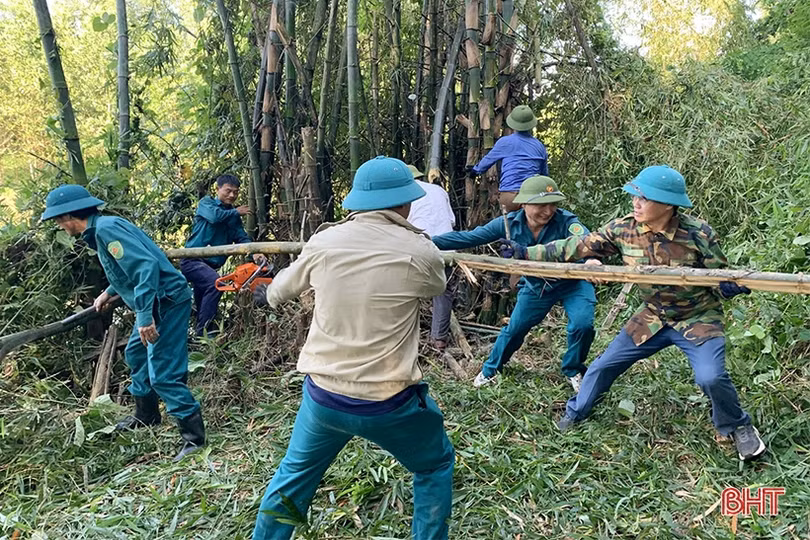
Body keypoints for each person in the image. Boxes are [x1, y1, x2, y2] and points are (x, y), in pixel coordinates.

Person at [251, 156, 455, 540]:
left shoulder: (324, 241)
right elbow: (436, 287)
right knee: (435, 465)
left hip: (324, 397)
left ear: (358, 202)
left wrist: (265, 295)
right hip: (389, 402)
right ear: (403, 203)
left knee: (292, 478)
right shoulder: (419, 250)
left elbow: (278, 291)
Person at [508, 165, 766, 461]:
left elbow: (718, 278)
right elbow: (576, 247)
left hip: (697, 317)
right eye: (635, 196)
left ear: (668, 204)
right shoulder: (623, 229)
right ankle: (576, 412)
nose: (636, 203)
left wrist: (727, 287)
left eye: (644, 198)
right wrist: (524, 252)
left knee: (710, 377)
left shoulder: (698, 233)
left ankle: (738, 426)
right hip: (652, 316)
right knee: (602, 366)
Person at [41, 185, 204, 461]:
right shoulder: (101, 229)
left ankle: (194, 438)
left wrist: (144, 317)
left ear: (68, 216)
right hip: (156, 300)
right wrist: (109, 292)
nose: (59, 225)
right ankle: (147, 415)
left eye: (58, 220)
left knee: (162, 370)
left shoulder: (106, 229)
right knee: (136, 354)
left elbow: (145, 268)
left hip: (166, 301)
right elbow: (127, 268)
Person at [432, 175, 595, 391]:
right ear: (524, 203)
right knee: (515, 328)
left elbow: (585, 241)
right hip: (538, 286)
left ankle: (573, 369)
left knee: (583, 324)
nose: (548, 211)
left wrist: (591, 257)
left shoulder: (566, 221)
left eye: (552, 205)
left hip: (573, 282)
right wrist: (428, 241)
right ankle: (490, 370)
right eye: (541, 205)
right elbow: (469, 238)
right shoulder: (508, 223)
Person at [180, 174, 265, 336]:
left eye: (236, 192)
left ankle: (201, 343)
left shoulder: (233, 216)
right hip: (192, 260)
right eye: (228, 191)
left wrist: (255, 253)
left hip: (210, 265)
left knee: (203, 300)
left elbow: (241, 237)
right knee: (216, 284)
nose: (232, 195)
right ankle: (204, 333)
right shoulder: (206, 203)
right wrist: (236, 212)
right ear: (217, 189)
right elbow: (214, 217)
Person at [406, 164, 456, 350]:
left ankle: (406, 338)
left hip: (419, 246)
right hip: (447, 246)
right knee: (444, 291)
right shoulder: (438, 190)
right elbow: (451, 220)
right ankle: (439, 340)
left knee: (404, 289)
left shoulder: (404, 195)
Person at [467, 105, 549, 212]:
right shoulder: (539, 146)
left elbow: (488, 160)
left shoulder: (505, 142)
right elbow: (544, 175)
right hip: (532, 196)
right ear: (531, 125)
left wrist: (475, 171)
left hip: (510, 196)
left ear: (513, 124)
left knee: (510, 227)